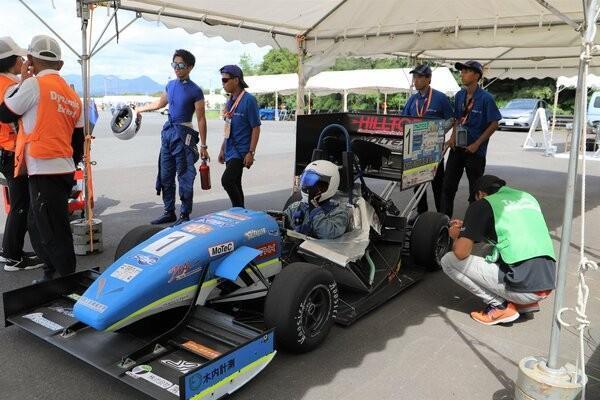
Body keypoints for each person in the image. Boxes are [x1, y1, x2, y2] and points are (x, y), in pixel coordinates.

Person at [0, 35, 84, 282]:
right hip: (64, 167)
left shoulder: (33, 85)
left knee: (51, 229)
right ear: (60, 64)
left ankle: (65, 280)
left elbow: (5, 113)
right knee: (43, 224)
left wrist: (23, 80)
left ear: (31, 62)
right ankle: (53, 275)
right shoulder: (71, 94)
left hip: (42, 167)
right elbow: (77, 141)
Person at [441, 175, 556, 326]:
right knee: (489, 249)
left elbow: (461, 252)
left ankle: (499, 306)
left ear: (480, 194)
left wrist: (457, 236)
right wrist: (469, 226)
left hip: (524, 288)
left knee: (449, 260)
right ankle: (524, 303)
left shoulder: (482, 204)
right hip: (545, 283)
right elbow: (512, 232)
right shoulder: (526, 198)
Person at [137, 49, 208, 225]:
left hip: (183, 135)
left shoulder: (196, 91)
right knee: (165, 175)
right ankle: (169, 211)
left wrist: (204, 146)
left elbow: (201, 119)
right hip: (168, 134)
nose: (177, 68)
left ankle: (184, 214)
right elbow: (159, 103)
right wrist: (139, 109)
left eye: (181, 65)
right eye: (174, 65)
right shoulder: (170, 85)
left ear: (190, 67)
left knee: (184, 176)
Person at [0, 37, 43, 271]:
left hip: (4, 150)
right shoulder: (9, 84)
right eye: (20, 58)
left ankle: (9, 249)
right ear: (13, 61)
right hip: (12, 150)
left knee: (18, 202)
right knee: (21, 204)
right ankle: (13, 256)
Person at [441, 60, 502, 218]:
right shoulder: (459, 95)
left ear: (476, 75)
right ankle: (444, 221)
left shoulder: (486, 98)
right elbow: (457, 119)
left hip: (475, 152)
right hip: (457, 149)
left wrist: (477, 143)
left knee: (475, 191)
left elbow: (494, 123)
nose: (462, 74)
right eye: (462, 71)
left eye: (466, 71)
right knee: (447, 187)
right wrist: (452, 138)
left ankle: (472, 227)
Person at [401, 64, 454, 214]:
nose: (415, 80)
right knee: (418, 185)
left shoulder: (440, 98)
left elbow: (451, 119)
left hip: (434, 148)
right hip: (415, 149)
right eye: (414, 76)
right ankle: (421, 214)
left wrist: (436, 133)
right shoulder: (413, 99)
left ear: (428, 78)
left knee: (438, 184)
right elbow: (403, 120)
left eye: (419, 77)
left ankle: (442, 216)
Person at [218, 65, 260, 208]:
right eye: (222, 80)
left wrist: (251, 152)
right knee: (236, 183)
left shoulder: (249, 100)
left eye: (225, 80)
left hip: (241, 151)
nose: (223, 83)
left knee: (227, 180)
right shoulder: (229, 102)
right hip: (230, 149)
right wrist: (222, 148)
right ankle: (240, 211)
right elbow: (228, 127)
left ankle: (238, 210)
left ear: (236, 80)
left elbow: (256, 127)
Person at [284, 160, 349, 240]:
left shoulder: (339, 212)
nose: (310, 189)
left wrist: (315, 211)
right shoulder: (296, 207)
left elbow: (328, 234)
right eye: (307, 182)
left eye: (319, 185)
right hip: (296, 249)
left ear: (332, 185)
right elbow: (280, 224)